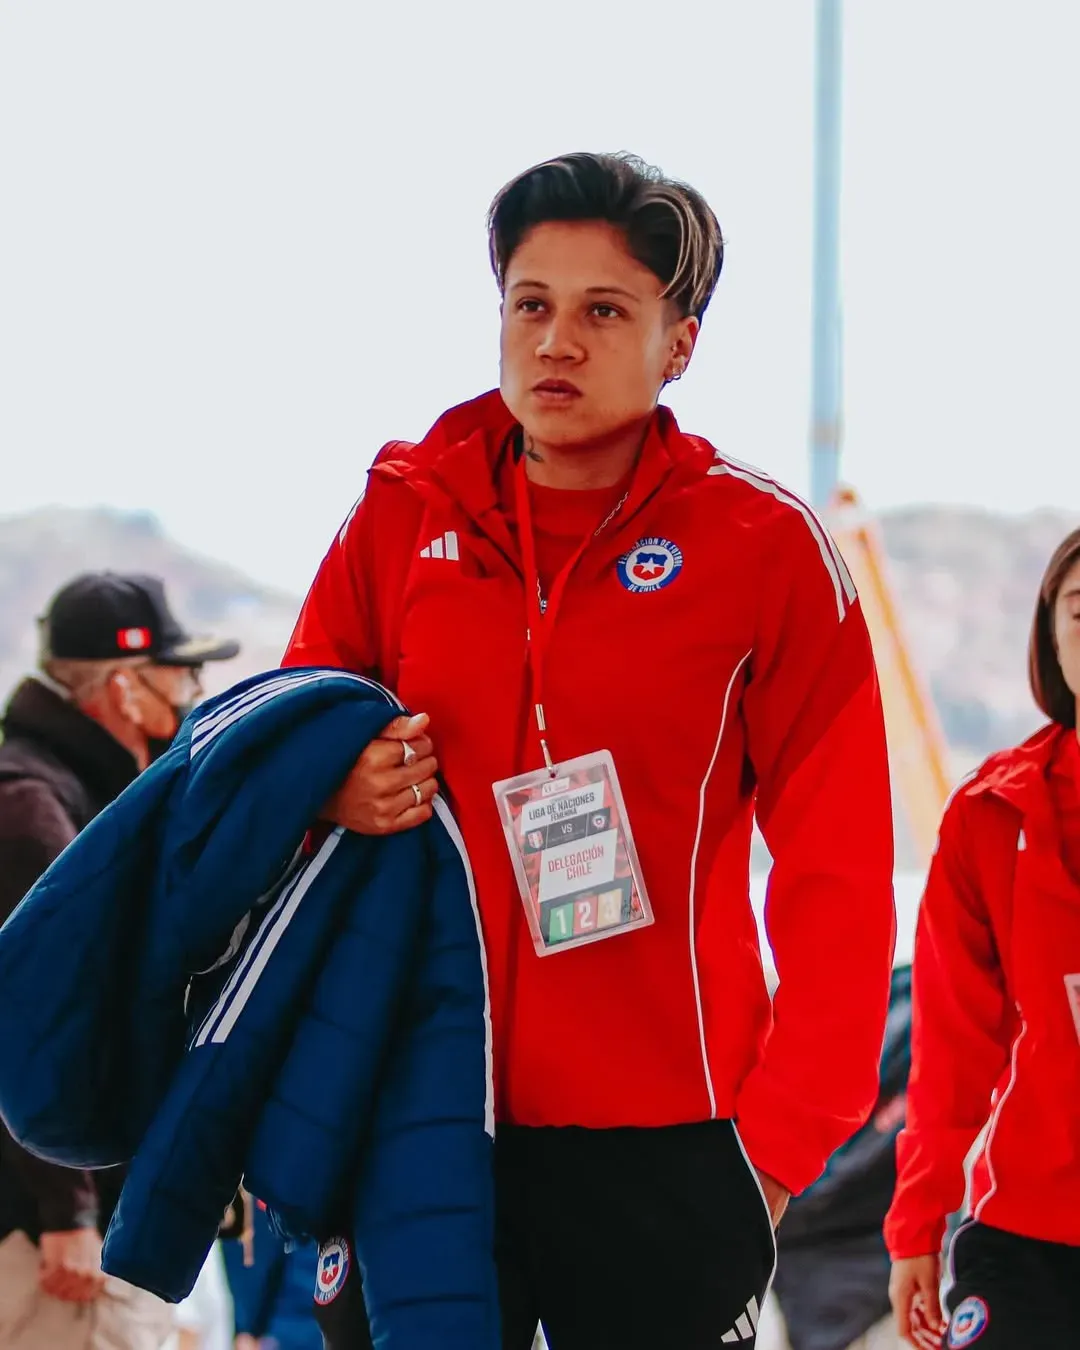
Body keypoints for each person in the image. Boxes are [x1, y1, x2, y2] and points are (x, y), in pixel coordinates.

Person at [284, 151, 896, 1350]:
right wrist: (333, 784)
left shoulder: (763, 547)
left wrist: (778, 1146)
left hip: (670, 1144)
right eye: (531, 304)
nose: (555, 342)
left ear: (680, 345)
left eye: (604, 311)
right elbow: (277, 750)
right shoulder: (404, 513)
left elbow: (839, 870)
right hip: (418, 1115)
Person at [0, 570, 238, 1349]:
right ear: (125, 690)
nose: (193, 697)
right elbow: (34, 1022)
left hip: (92, 1214)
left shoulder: (85, 799)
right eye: (182, 676)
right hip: (58, 1242)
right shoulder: (32, 813)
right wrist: (66, 1211)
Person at [886, 526, 1080, 1348]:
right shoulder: (990, 813)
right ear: (1051, 636)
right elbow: (951, 1050)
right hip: (1026, 1234)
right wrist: (917, 1222)